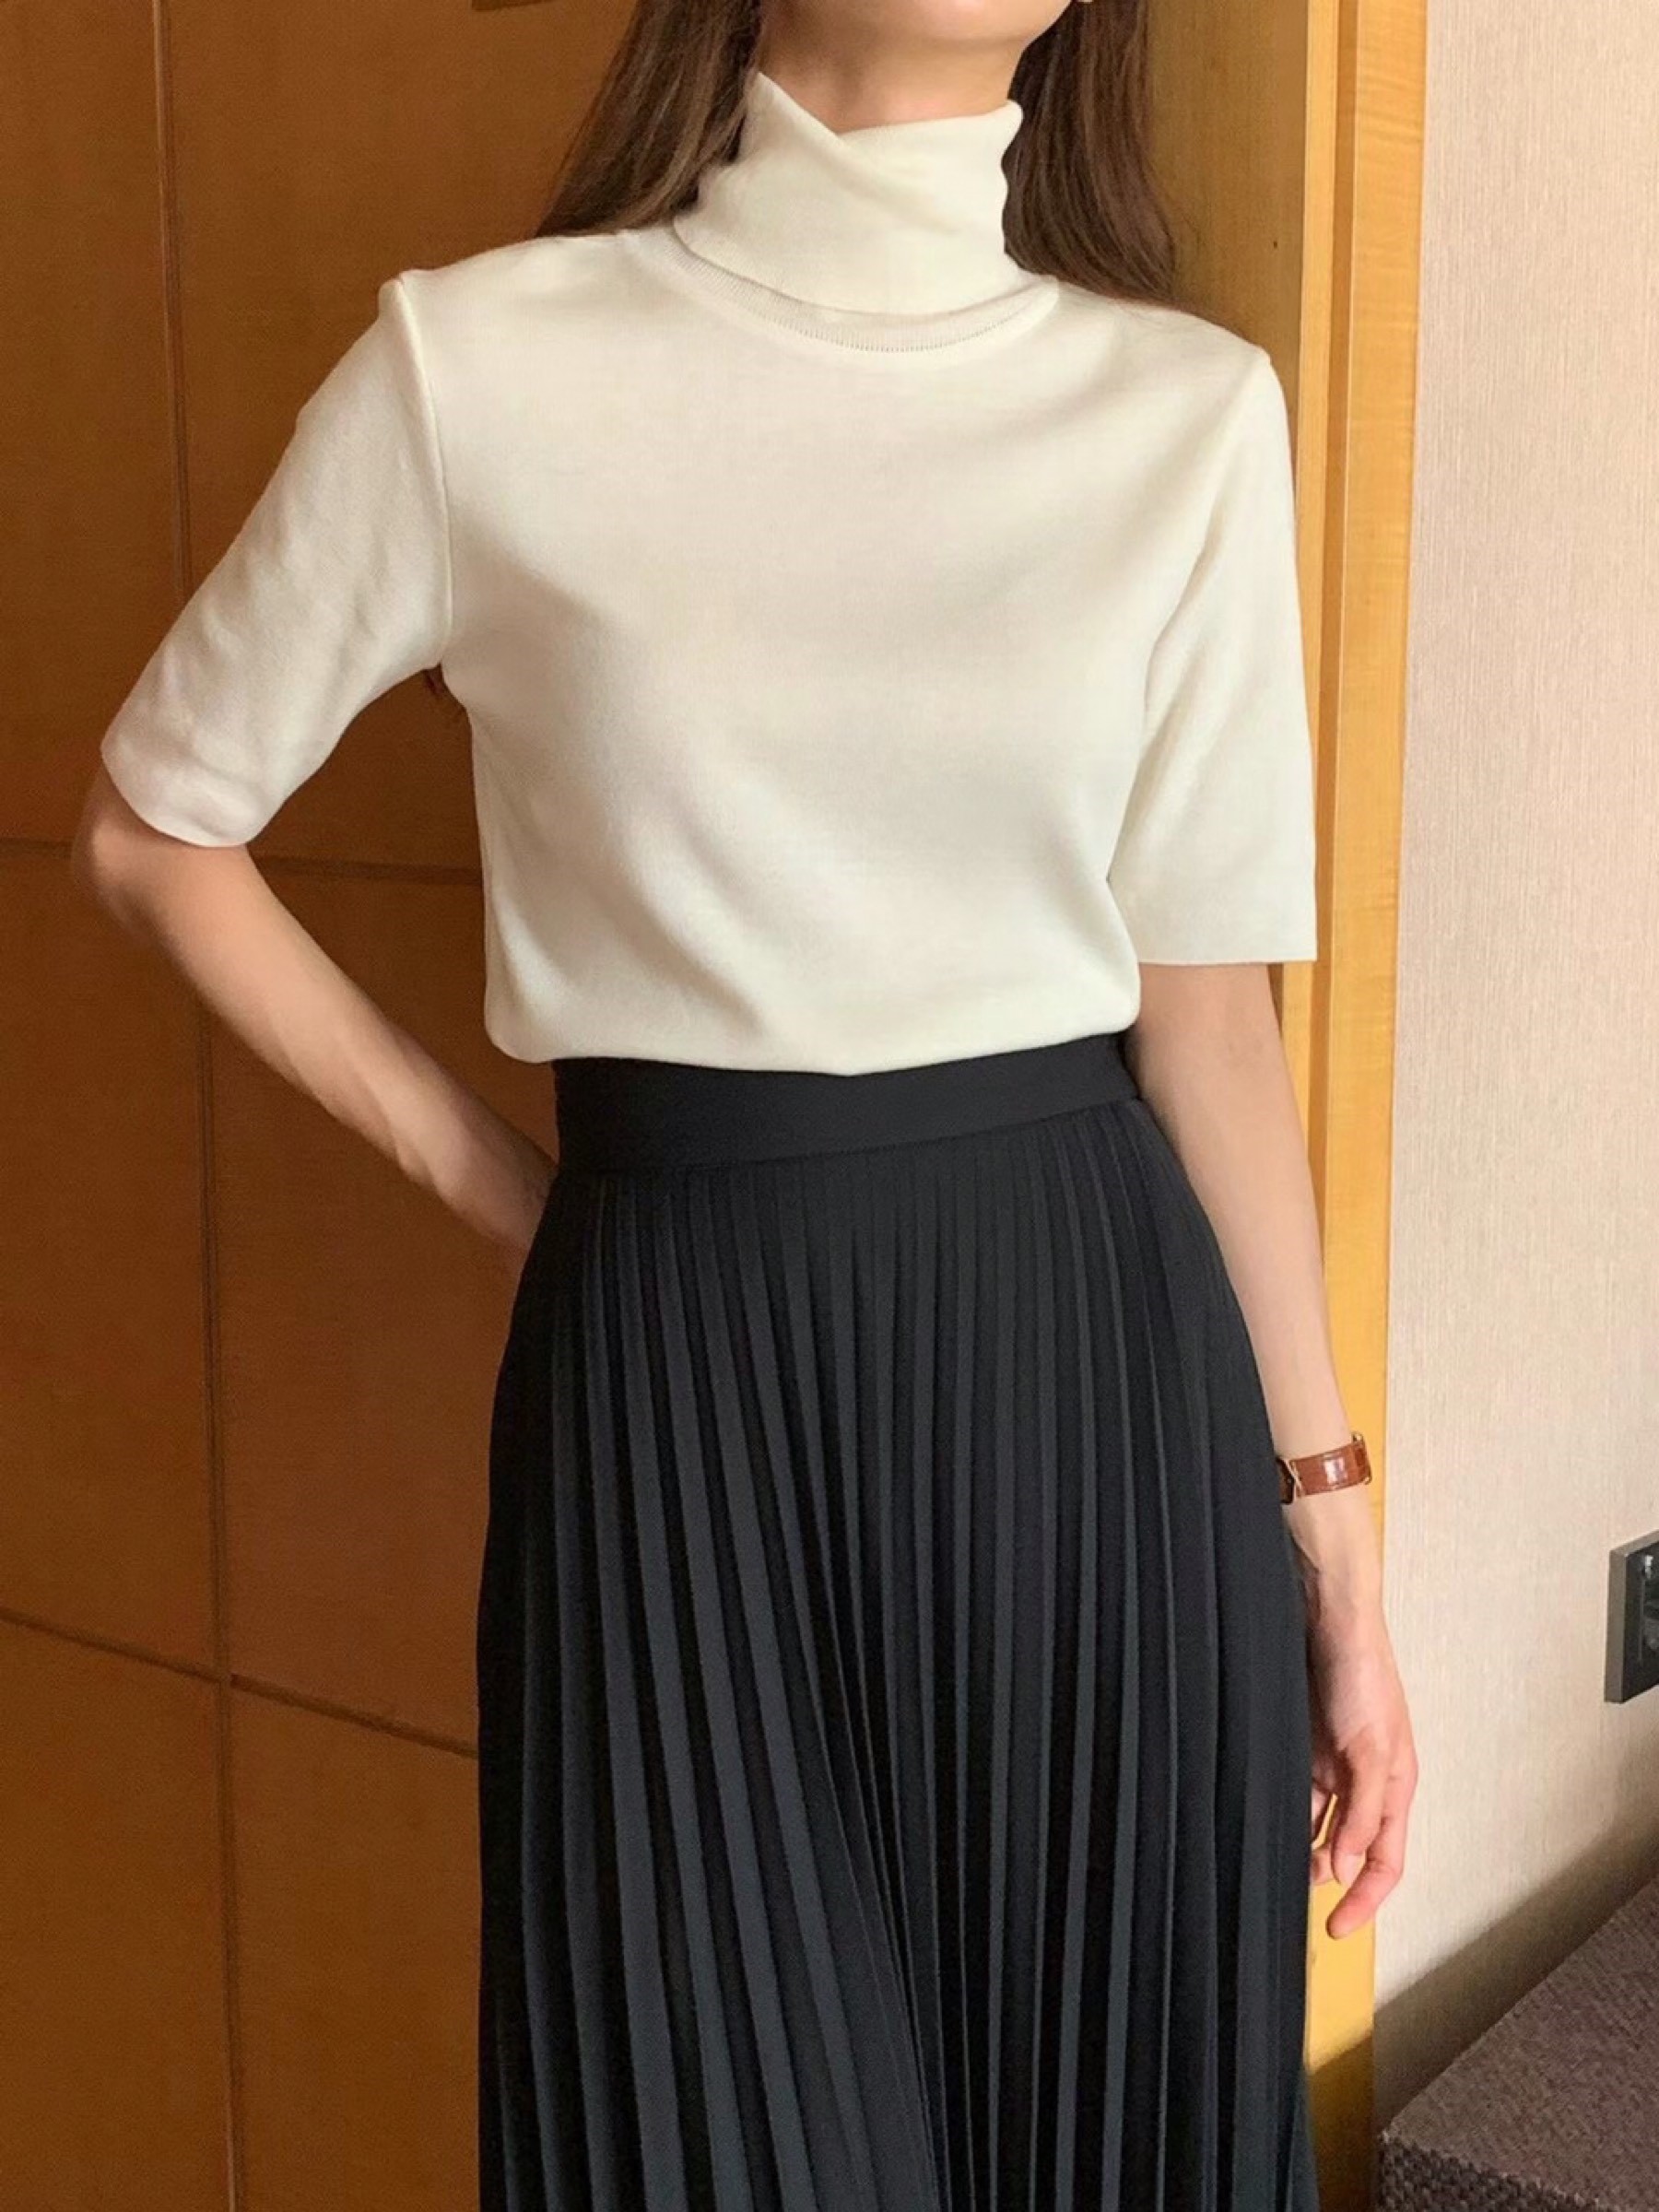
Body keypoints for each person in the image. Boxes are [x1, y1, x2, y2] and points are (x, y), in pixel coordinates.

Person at [73, 0, 1418, 2204]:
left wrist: (1339, 1547)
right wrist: (530, 1201)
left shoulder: (1186, 416)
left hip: (1095, 1396)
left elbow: (1208, 1023)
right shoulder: (476, 373)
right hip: (674, 1406)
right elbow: (157, 834)